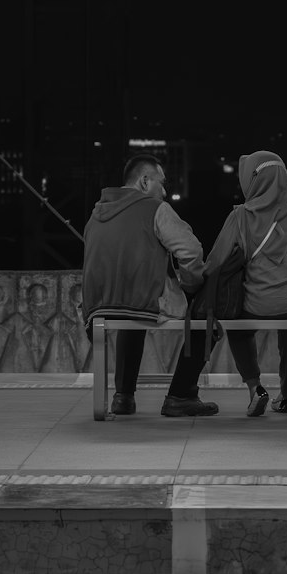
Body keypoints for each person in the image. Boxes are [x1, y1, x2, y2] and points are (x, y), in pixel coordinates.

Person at [82, 153, 219, 418]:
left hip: (99, 307)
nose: (164, 191)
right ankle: (181, 395)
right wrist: (191, 286)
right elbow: (190, 251)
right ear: (145, 182)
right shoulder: (155, 208)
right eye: (161, 182)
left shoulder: (96, 213)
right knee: (207, 317)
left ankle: (123, 396)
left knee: (131, 312)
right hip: (145, 302)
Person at [205, 150, 287, 416]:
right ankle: (286, 396)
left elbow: (215, 262)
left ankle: (255, 388)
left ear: (253, 181)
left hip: (265, 303)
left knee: (237, 327)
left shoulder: (241, 217)